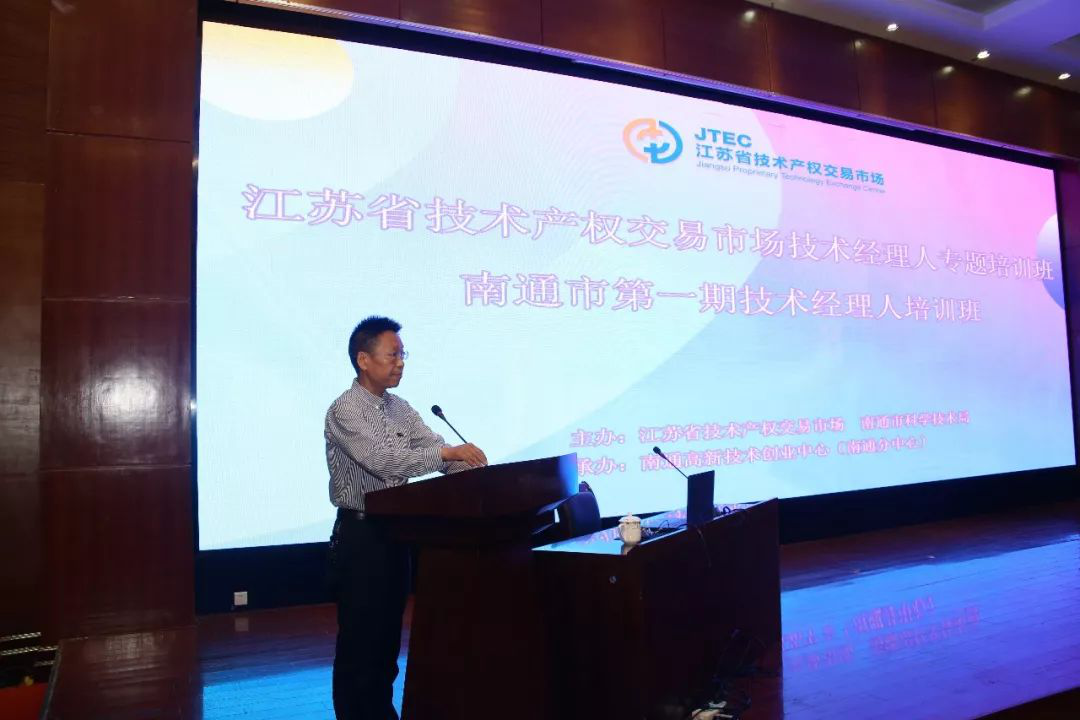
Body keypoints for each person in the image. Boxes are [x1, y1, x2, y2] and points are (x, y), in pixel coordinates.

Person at [324, 315, 487, 720]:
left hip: (396, 534)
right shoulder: (345, 410)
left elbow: (436, 450)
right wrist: (446, 454)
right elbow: (384, 461)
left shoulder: (401, 409)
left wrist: (473, 469)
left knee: (386, 641)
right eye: (392, 354)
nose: (400, 363)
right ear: (363, 359)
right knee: (360, 641)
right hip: (361, 536)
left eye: (403, 355)